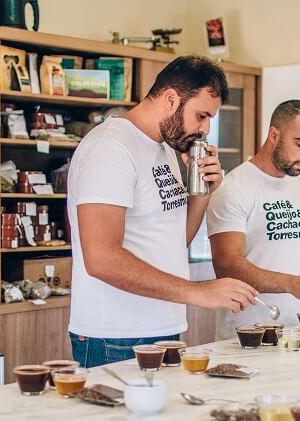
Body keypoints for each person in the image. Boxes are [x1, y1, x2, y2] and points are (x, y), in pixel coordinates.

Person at [67, 55, 258, 368]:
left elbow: (170, 241)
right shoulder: (111, 148)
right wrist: (199, 292)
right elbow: (101, 259)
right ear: (171, 98)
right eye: (201, 116)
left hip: (165, 329)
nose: (205, 129)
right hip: (116, 337)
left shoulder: (164, 149)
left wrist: (202, 195)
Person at [206, 99, 300, 340]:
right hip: (247, 336)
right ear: (274, 135)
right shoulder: (234, 188)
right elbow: (226, 264)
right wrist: (291, 284)